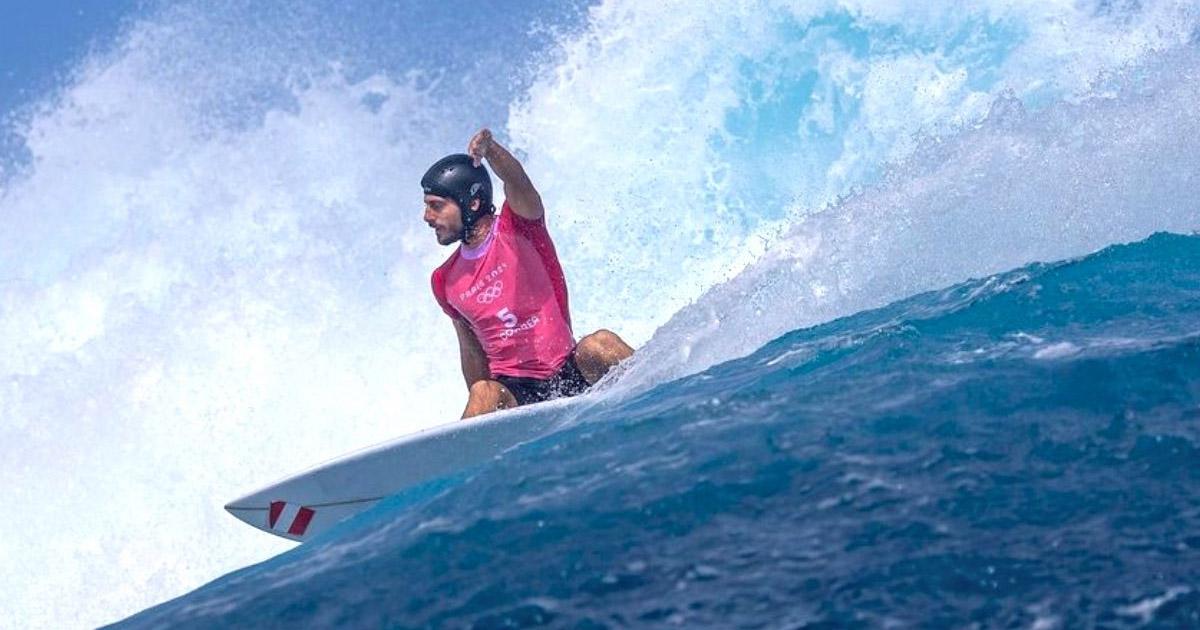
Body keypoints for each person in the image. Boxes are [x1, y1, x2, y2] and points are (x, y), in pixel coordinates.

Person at [424, 129, 634, 418]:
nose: (427, 217)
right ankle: (469, 458)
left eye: (436, 206)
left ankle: (670, 399)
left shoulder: (520, 229)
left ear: (472, 203)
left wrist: (491, 150)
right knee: (483, 392)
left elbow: (517, 183)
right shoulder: (444, 281)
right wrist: (482, 411)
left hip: (569, 371)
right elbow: (472, 353)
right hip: (517, 396)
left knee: (600, 345)